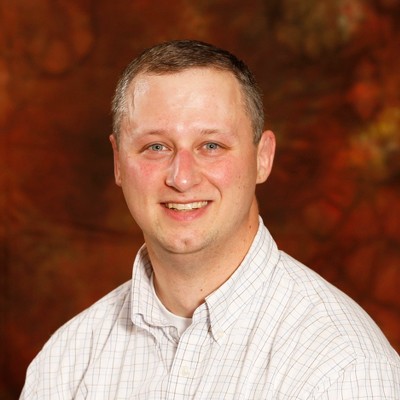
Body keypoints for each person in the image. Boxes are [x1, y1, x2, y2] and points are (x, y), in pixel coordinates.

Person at [20, 39, 399, 399]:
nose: (182, 178)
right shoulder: (64, 365)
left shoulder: (345, 367)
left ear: (262, 157)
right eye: (155, 146)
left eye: (211, 146)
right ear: (118, 161)